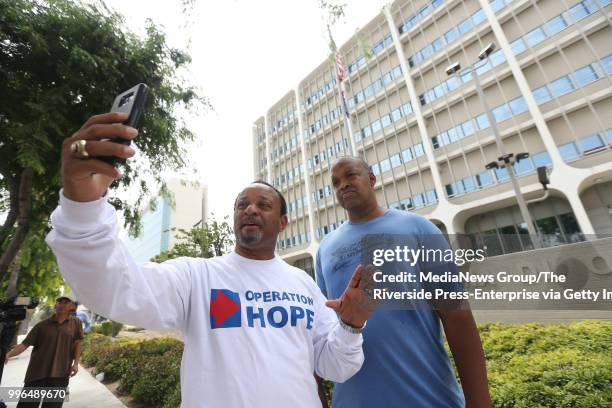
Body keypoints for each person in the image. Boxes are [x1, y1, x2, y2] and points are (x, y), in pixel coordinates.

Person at [44, 112, 373, 408]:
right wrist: (82, 205)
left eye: (263, 205)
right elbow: (114, 287)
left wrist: (351, 325)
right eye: (242, 204)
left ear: (283, 222)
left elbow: (336, 367)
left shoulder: (304, 285)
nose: (250, 209)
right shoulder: (196, 276)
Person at [315, 157, 492, 408]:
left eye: (351, 176)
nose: (342, 185)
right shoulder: (325, 248)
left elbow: (456, 317)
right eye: (335, 183)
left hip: (429, 398)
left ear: (372, 179)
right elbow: (321, 334)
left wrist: (479, 401)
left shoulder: (418, 228)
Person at [5, 294, 83, 408]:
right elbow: (24, 344)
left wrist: (76, 364)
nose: (61, 304)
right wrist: (7, 355)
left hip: (60, 375)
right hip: (36, 374)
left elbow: (78, 343)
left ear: (72, 307)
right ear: (55, 305)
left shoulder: (76, 323)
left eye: (66, 302)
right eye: (59, 302)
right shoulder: (41, 326)